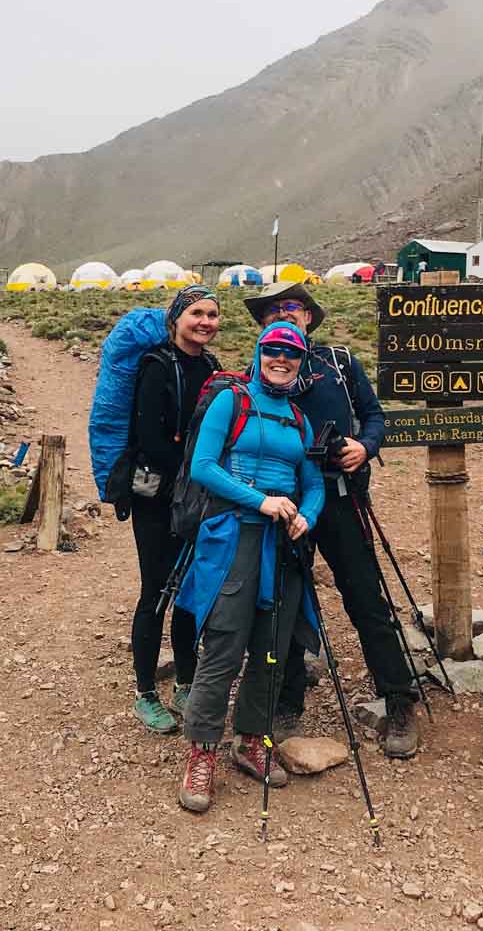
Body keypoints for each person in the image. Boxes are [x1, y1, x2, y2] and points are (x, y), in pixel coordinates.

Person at [242, 281, 421, 758]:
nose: (285, 313)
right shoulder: (256, 372)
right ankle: (287, 699)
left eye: (294, 306)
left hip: (341, 498)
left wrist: (365, 447)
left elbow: (374, 415)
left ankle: (398, 698)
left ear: (309, 316)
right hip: (284, 505)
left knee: (365, 598)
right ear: (263, 324)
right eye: (274, 309)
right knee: (282, 602)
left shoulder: (339, 363)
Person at [173, 322, 325, 813]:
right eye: (273, 350)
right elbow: (204, 466)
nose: (281, 359)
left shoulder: (298, 419)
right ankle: (202, 751)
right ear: (260, 354)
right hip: (235, 535)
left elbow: (313, 482)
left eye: (291, 353)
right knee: (224, 642)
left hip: (283, 542)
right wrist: (262, 501)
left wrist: (307, 515)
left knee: (272, 646)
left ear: (301, 362)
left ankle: (251, 740)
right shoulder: (231, 401)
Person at [127, 286, 221, 733]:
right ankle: (145, 692)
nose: (205, 322)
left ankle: (185, 681)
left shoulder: (211, 367)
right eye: (196, 313)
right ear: (176, 319)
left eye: (212, 315)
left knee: (189, 591)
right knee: (156, 591)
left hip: (197, 497)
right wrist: (197, 469)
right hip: (158, 498)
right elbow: (148, 437)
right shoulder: (156, 366)